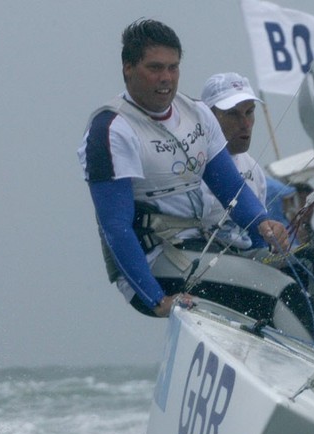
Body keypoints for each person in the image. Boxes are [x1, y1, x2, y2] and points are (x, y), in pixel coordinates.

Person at [78, 20, 290, 321]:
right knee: (278, 291)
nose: (166, 78)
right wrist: (156, 300)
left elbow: (230, 188)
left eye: (173, 67)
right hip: (153, 268)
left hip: (201, 250)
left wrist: (263, 225)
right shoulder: (112, 130)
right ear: (128, 68)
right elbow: (116, 228)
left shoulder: (196, 113)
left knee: (299, 267)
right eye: (155, 68)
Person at [198, 72, 314, 336]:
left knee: (311, 258)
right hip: (210, 264)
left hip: (246, 259)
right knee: (290, 281)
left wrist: (277, 240)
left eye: (250, 113)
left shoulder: (253, 170)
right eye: (233, 114)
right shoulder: (196, 165)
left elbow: (259, 241)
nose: (245, 124)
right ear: (208, 118)